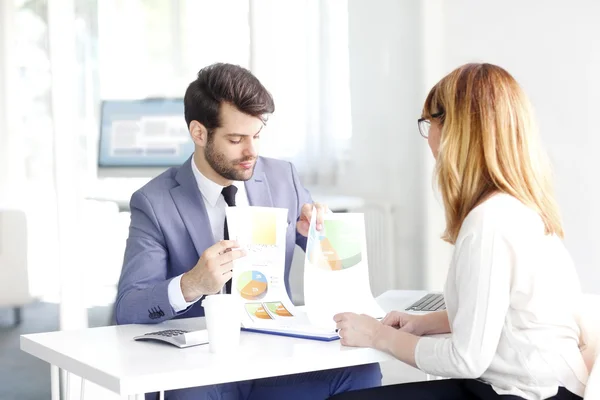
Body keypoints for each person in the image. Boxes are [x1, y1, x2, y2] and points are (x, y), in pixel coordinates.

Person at [115, 63, 381, 400]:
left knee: (361, 372)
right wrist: (191, 284)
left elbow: (336, 269)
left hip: (274, 358)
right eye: (236, 139)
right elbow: (129, 305)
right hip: (199, 369)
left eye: (256, 136)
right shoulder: (154, 202)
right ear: (199, 133)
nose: (251, 152)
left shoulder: (283, 177)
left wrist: (323, 236)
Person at [329, 63, 588, 400]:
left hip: (524, 393)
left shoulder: (489, 223)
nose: (429, 138)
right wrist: (424, 323)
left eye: (429, 123)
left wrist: (378, 335)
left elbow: (466, 359)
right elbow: (504, 312)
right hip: (548, 384)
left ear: (454, 130)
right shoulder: (517, 208)